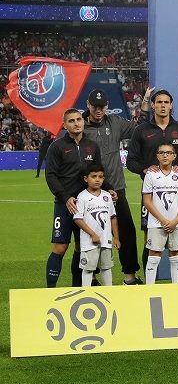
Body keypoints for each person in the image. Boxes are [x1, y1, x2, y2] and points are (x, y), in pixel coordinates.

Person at [84, 87, 151, 285]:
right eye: (95, 106)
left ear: (107, 106)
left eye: (102, 106)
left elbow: (138, 129)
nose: (98, 110)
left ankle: (129, 276)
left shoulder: (115, 122)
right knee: (91, 233)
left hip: (116, 188)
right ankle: (91, 277)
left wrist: (144, 105)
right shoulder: (80, 125)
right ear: (88, 105)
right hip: (91, 190)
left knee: (126, 231)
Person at [127, 89, 178, 276]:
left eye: (166, 102)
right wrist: (144, 170)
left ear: (171, 105)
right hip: (150, 194)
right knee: (149, 239)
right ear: (152, 105)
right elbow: (131, 161)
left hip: (175, 192)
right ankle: (150, 283)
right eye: (159, 102)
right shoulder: (142, 130)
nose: (163, 105)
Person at [45, 109, 109, 287]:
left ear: (83, 121)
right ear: (65, 125)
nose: (76, 123)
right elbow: (51, 175)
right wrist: (65, 197)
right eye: (71, 121)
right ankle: (49, 291)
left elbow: (97, 173)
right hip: (64, 204)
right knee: (60, 247)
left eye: (79, 119)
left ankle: (77, 288)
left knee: (81, 248)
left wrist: (109, 189)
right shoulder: (57, 147)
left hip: (86, 206)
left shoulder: (92, 146)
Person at [142, 143, 178, 284]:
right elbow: (147, 201)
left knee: (176, 254)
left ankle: (176, 288)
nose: (165, 155)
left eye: (168, 153)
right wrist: (163, 220)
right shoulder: (150, 175)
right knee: (154, 255)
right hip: (156, 223)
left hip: (176, 223)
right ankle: (149, 289)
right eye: (162, 153)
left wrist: (176, 220)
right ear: (157, 156)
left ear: (174, 156)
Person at [73, 164, 119, 287]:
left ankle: (109, 291)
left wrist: (116, 238)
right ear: (86, 178)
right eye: (93, 176)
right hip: (89, 241)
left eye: (100, 177)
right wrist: (92, 234)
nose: (97, 180)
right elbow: (77, 219)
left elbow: (113, 217)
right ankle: (86, 292)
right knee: (88, 269)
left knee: (106, 267)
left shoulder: (107, 196)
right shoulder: (82, 197)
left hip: (106, 240)